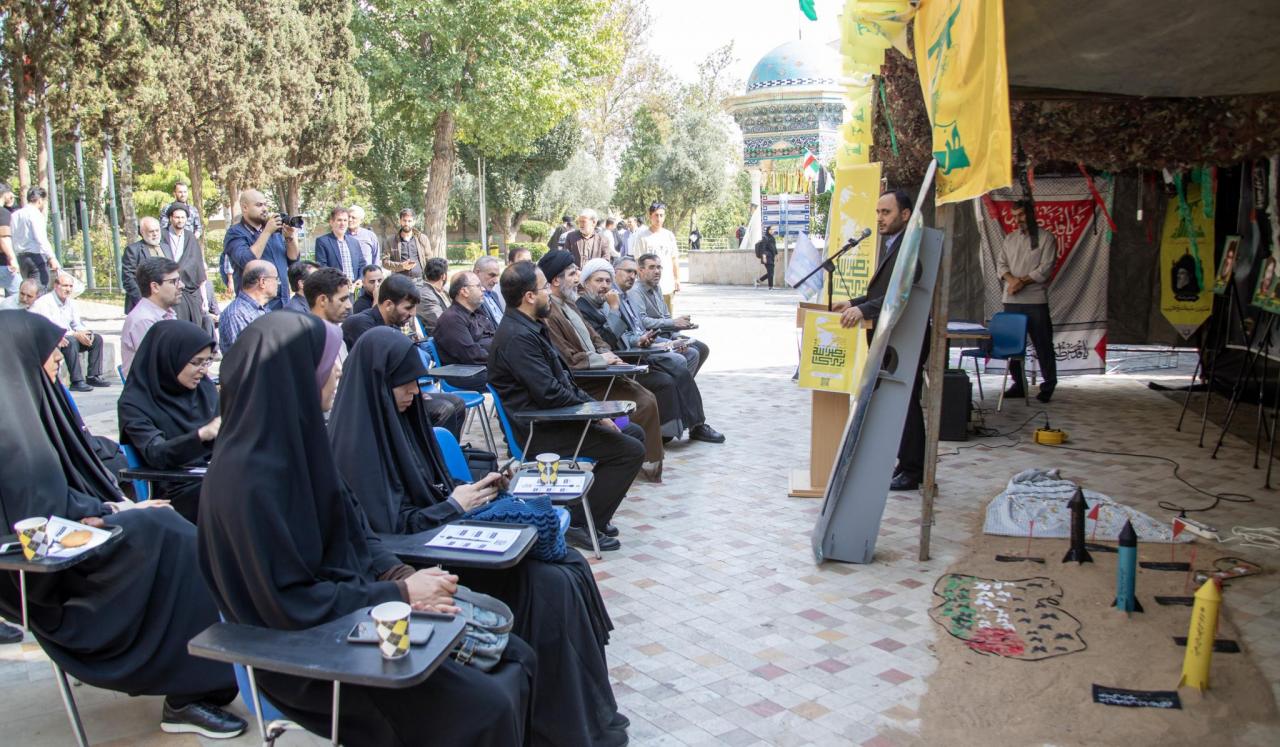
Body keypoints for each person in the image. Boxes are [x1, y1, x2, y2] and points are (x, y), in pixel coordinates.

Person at [196, 312, 533, 746]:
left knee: (516, 655)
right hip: (311, 655)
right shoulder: (246, 484)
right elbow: (289, 605)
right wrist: (399, 594)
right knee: (487, 704)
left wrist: (404, 576)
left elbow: (359, 535)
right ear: (294, 377)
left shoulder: (301, 446)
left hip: (356, 614)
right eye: (327, 363)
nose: (338, 371)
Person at [331, 327, 627, 746]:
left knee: (570, 566)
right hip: (423, 565)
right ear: (379, 383)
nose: (415, 392)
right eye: (405, 382)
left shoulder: (403, 420)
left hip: (445, 537)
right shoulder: (353, 447)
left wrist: (476, 489)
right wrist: (453, 506)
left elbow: (433, 486)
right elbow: (386, 532)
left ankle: (591, 714)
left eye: (417, 381)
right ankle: (557, 728)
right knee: (549, 586)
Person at [0, 311, 246, 738]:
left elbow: (82, 470)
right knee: (175, 541)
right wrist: (117, 510)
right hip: (54, 568)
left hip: (86, 531)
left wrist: (114, 506)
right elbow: (36, 511)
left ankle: (211, 672)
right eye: (51, 350)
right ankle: (188, 692)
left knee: (178, 532)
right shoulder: (10, 430)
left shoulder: (36, 405)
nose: (60, 357)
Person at [488, 261, 645, 551]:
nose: (549, 292)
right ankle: (579, 524)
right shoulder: (517, 337)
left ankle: (594, 512)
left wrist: (597, 410)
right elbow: (551, 394)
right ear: (529, 296)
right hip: (542, 427)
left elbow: (563, 384)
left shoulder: (531, 326)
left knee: (631, 430)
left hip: (559, 418)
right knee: (629, 450)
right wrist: (596, 415)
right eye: (544, 287)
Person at [539, 250, 666, 471]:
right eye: (572, 274)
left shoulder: (570, 304)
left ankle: (637, 450)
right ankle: (636, 454)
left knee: (648, 395)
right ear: (555, 281)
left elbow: (598, 338)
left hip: (604, 372)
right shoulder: (550, 312)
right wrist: (601, 359)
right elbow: (568, 357)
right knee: (642, 402)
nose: (577, 279)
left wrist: (609, 355)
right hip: (585, 380)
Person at [834, 189, 926, 491]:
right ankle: (903, 462)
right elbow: (881, 292)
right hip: (889, 336)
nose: (879, 218)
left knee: (907, 402)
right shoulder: (894, 243)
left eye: (886, 212)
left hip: (905, 337)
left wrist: (863, 310)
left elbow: (900, 293)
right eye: (877, 212)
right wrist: (853, 303)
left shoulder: (910, 246)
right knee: (893, 402)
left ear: (905, 214)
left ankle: (913, 469)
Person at [578, 258, 723, 445]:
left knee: (680, 367)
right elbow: (606, 341)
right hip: (620, 364)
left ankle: (693, 425)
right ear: (585, 283)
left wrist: (643, 340)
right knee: (670, 376)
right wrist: (615, 310)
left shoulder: (608, 301)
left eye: (607, 281)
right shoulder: (594, 306)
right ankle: (668, 431)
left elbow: (629, 332)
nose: (604, 285)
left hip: (635, 353)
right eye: (599, 281)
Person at [118, 321, 220, 523]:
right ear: (169, 359)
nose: (203, 370)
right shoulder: (135, 403)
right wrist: (201, 435)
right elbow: (156, 453)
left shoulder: (203, 389)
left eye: (207, 362)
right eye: (196, 362)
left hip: (213, 474)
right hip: (177, 488)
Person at [342, 274, 467, 437]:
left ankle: (443, 451)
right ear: (388, 304)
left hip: (400, 391)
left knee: (457, 403)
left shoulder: (393, 325)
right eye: (408, 308)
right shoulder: (360, 324)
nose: (413, 313)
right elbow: (377, 371)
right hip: (375, 400)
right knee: (444, 409)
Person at [997, 200, 1059, 403]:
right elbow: (1001, 264)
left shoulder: (1046, 238)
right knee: (1012, 345)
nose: (1018, 220)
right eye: (1014, 216)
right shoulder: (1010, 239)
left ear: (1032, 214)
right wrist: (1012, 281)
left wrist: (1022, 282)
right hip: (1012, 298)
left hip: (1035, 300)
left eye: (1021, 215)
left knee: (1043, 344)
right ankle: (1019, 385)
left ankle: (1048, 386)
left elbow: (1045, 268)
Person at [629, 253, 711, 374]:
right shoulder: (635, 291)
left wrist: (677, 331)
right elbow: (643, 321)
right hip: (652, 338)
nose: (657, 271)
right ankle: (680, 383)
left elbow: (666, 316)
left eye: (659, 267)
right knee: (692, 353)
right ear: (640, 270)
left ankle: (684, 382)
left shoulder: (657, 287)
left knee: (702, 348)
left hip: (667, 334)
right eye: (652, 267)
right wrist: (673, 323)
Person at [31, 271, 108, 392]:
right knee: (70, 341)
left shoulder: (70, 302)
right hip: (50, 339)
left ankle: (93, 376)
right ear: (56, 286)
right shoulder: (45, 302)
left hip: (67, 335)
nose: (68, 289)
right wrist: (75, 334)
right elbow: (51, 327)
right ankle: (77, 381)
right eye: (65, 286)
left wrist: (86, 333)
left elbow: (77, 323)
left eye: (70, 286)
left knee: (96, 338)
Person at [223, 189, 299, 306]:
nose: (264, 209)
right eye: (259, 205)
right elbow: (247, 261)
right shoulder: (235, 233)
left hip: (283, 301)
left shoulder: (274, 231)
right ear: (245, 208)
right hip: (257, 307)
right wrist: (267, 232)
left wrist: (290, 237)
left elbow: (293, 261)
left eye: (265, 204)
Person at [432, 270, 493, 391]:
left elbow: (494, 337)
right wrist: (502, 360)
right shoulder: (451, 319)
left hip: (485, 366)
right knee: (516, 375)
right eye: (478, 286)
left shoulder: (477, 312)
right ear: (464, 291)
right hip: (466, 373)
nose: (483, 289)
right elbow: (471, 355)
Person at [120, 257, 181, 376]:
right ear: (155, 287)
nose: (181, 285)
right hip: (153, 386)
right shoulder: (143, 320)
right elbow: (163, 366)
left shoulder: (166, 314)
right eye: (173, 281)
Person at [161, 203, 214, 335]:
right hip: (170, 290)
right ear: (171, 218)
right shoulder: (163, 236)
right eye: (177, 217)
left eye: (183, 217)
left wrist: (204, 298)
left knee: (194, 329)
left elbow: (198, 267)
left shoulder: (190, 237)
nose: (180, 220)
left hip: (191, 290)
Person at [218, 259, 278, 352]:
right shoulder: (237, 315)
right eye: (276, 279)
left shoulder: (262, 308)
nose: (278, 283)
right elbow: (245, 355)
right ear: (262, 282)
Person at [630, 202, 680, 312]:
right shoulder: (642, 237)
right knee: (651, 316)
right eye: (656, 215)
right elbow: (638, 262)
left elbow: (674, 259)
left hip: (667, 285)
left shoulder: (669, 236)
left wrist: (677, 279)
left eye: (661, 215)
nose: (659, 218)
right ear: (650, 216)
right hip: (649, 286)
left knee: (668, 316)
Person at [10, 186, 61, 287]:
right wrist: (51, 257)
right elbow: (41, 238)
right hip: (36, 256)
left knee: (26, 290)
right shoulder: (35, 214)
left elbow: (12, 237)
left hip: (20, 257)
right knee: (40, 288)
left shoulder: (15, 215)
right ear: (40, 200)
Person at [122, 217, 167, 312]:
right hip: (143, 305)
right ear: (142, 232)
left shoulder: (167, 248)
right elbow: (128, 279)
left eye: (157, 230)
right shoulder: (133, 250)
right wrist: (143, 302)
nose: (155, 234)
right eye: (151, 231)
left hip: (166, 303)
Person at [313, 206, 366, 282]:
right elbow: (322, 267)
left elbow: (362, 264)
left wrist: (360, 279)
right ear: (331, 222)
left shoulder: (354, 242)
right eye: (339, 220)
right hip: (335, 286)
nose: (342, 223)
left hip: (355, 286)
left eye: (345, 220)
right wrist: (340, 282)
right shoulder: (322, 242)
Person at [382, 207, 430, 280]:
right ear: (400, 221)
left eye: (409, 221)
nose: (407, 223)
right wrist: (401, 266)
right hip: (399, 281)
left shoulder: (422, 239)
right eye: (404, 220)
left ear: (414, 222)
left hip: (420, 281)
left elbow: (429, 260)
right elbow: (385, 263)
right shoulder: (391, 240)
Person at [417, 256, 452, 334]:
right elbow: (441, 321)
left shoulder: (443, 291)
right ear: (443, 276)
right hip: (441, 335)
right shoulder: (426, 295)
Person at [0, 181, 20, 297]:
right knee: (21, 296)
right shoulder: (3, 213)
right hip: (2, 264)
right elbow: (4, 238)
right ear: (5, 194)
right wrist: (12, 259)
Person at [475, 255, 505, 325]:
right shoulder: (471, 298)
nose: (496, 281)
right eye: (492, 275)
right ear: (477, 272)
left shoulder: (494, 295)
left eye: (497, 276)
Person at [755, 224, 778, 289]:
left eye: (773, 229)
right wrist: (764, 256)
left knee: (770, 272)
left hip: (771, 257)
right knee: (771, 272)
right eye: (771, 229)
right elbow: (763, 248)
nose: (772, 231)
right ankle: (770, 286)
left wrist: (776, 255)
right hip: (766, 257)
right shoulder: (765, 238)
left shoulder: (772, 238)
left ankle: (759, 280)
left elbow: (774, 247)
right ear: (768, 230)